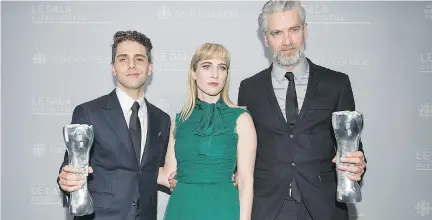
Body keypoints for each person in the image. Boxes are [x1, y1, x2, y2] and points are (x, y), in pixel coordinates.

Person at [169, 1, 367, 220]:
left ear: (305, 30)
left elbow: (351, 147)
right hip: (268, 209)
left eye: (293, 29)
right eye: (276, 33)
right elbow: (237, 153)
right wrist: (193, 172)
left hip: (324, 208)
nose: (287, 41)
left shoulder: (336, 83)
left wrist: (358, 164)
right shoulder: (250, 88)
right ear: (266, 39)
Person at [57, 30, 171, 220]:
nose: (132, 65)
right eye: (123, 59)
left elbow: (158, 171)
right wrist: (66, 180)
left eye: (140, 59)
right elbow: (71, 165)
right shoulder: (88, 112)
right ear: (113, 67)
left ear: (150, 67)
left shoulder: (162, 119)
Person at [157, 43, 257, 220]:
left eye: (222, 67)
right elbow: (168, 174)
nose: (215, 74)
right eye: (206, 66)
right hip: (182, 208)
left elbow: (245, 180)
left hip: (223, 208)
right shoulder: (179, 121)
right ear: (194, 72)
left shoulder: (241, 118)